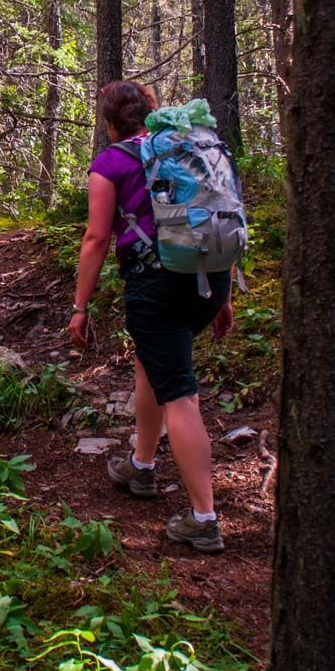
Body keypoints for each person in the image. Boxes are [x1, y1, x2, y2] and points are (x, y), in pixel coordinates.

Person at [68, 79, 234, 553]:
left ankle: (204, 517)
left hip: (157, 288)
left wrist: (80, 307)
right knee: (151, 364)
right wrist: (223, 296)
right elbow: (215, 210)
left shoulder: (112, 163)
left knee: (179, 392)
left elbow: (97, 238)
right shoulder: (190, 145)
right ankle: (141, 467)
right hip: (210, 276)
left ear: (109, 124)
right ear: (151, 112)